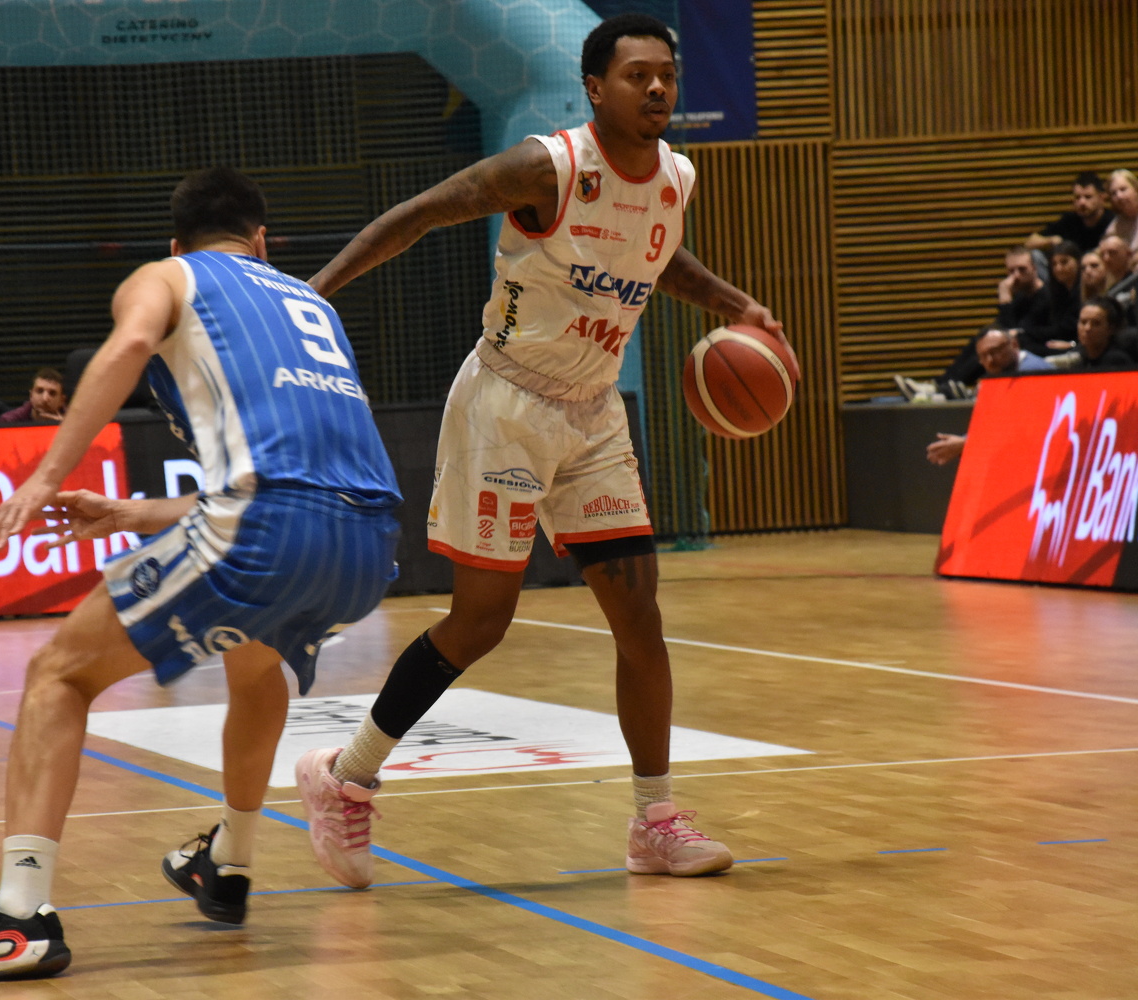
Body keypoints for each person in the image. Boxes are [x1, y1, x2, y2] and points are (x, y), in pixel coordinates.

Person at [293, 13, 791, 889]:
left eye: (667, 74)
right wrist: (313, 296)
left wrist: (733, 304)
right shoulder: (547, 167)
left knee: (640, 618)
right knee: (481, 621)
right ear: (595, 88)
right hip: (505, 406)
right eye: (637, 75)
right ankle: (346, 776)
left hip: (593, 414)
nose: (658, 88)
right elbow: (420, 214)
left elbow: (657, 259)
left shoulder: (676, 178)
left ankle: (654, 820)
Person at [0, 168, 403, 985]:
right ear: (262, 239)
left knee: (58, 674)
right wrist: (132, 513)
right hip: (372, 546)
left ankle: (19, 918)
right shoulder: (314, 307)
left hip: (271, 526)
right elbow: (295, 479)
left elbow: (129, 347)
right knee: (254, 664)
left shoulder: (168, 276)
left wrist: (42, 476)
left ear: (176, 242)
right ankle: (228, 863)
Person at [1024, 171, 1114, 254]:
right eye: (1077, 197)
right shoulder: (1069, 221)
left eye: (1088, 197)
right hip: (1073, 265)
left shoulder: (1112, 221)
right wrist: (1050, 241)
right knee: (1036, 254)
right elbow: (1030, 243)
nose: (1082, 202)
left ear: (1101, 198)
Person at [1065, 297, 1134, 370]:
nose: (1087, 328)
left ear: (1111, 328)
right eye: (1083, 322)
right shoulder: (1075, 356)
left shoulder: (1117, 361)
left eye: (1096, 323)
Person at [1105, 169, 1138, 253]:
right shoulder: (1114, 228)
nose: (1119, 196)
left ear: (1136, 189)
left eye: (1123, 189)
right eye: (1114, 193)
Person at [0, 368, 69, 423]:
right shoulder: (9, 421)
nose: (45, 398)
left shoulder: (72, 424)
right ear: (31, 395)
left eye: (52, 393)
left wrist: (64, 428)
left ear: (62, 400)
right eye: (40, 391)